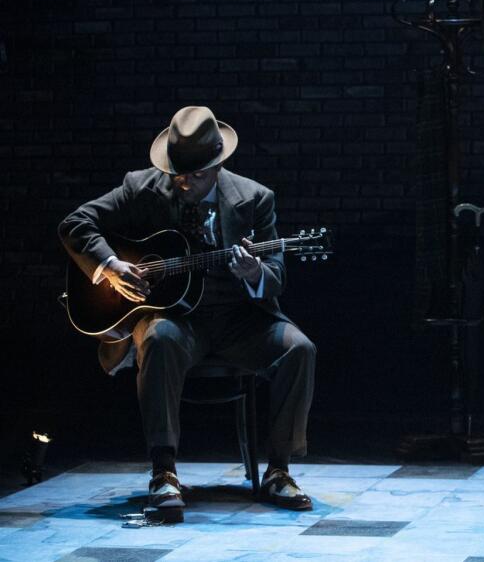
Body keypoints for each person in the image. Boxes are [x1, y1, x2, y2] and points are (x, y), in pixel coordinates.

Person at [60, 106, 317, 522]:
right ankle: (163, 472)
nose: (184, 183)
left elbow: (276, 277)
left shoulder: (254, 198)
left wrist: (254, 272)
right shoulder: (140, 188)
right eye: (178, 173)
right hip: (178, 322)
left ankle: (278, 470)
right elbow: (76, 223)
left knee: (300, 349)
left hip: (238, 320)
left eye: (196, 175)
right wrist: (110, 266)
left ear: (217, 165)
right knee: (158, 338)